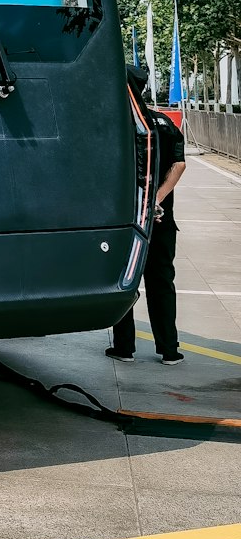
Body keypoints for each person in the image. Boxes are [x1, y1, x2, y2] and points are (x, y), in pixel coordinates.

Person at [107, 65, 187, 365]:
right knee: (162, 282)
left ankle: (124, 347)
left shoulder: (122, 125)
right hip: (162, 219)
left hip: (129, 220)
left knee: (126, 281)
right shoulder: (165, 123)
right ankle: (169, 349)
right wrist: (157, 199)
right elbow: (179, 164)